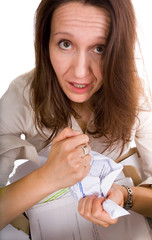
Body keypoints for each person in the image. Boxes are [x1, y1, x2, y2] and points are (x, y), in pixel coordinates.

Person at [0, 0, 152, 231]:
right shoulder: (22, 96)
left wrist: (125, 195)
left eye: (99, 48)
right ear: (44, 43)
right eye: (65, 43)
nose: (81, 72)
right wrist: (47, 177)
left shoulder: (135, 92)